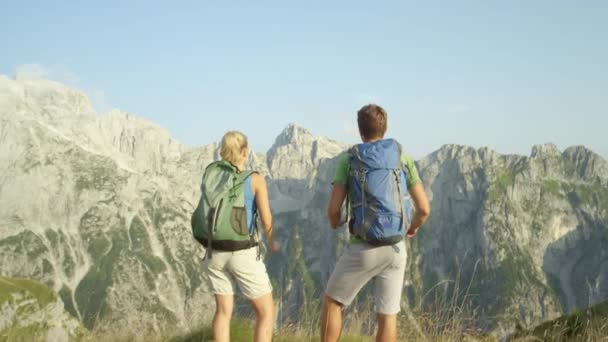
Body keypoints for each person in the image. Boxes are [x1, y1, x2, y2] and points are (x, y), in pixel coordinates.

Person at [321, 104, 431, 342]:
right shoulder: (403, 158)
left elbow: (333, 209)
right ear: (385, 128)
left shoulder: (349, 160)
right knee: (387, 316)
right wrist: (412, 227)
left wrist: (334, 222)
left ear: (360, 132)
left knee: (333, 302)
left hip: (363, 247)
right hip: (395, 247)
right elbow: (424, 209)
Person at [197, 131, 280, 342]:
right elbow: (266, 218)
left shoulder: (212, 175)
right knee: (266, 311)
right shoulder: (255, 179)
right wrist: (272, 241)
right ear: (245, 152)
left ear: (222, 151)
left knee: (223, 312)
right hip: (241, 252)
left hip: (212, 251)